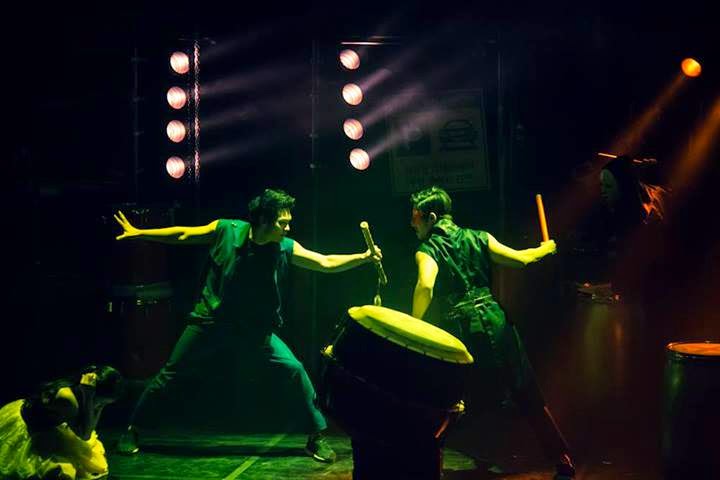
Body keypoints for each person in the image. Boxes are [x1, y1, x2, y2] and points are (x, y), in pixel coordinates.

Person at [114, 188, 381, 463]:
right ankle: (133, 429)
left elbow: (324, 262)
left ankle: (316, 437)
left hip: (256, 330)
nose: (289, 228)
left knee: (294, 369)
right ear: (263, 220)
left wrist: (362, 257)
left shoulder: (284, 247)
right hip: (211, 323)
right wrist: (140, 233)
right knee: (171, 373)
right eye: (283, 222)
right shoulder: (226, 231)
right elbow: (183, 234)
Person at [409, 186, 575, 479]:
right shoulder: (480, 237)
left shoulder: (427, 251)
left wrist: (413, 326)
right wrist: (545, 249)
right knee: (526, 393)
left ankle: (424, 466)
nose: (412, 224)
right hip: (497, 323)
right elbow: (522, 259)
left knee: (449, 400)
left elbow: (425, 286)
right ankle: (563, 462)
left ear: (431, 218)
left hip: (462, 330)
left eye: (416, 217)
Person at [0, 365, 124, 480]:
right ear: (93, 394)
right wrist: (88, 398)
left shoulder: (80, 392)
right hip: (35, 427)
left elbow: (88, 428)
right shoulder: (68, 400)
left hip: (50, 425)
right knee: (62, 472)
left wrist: (97, 404)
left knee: (90, 458)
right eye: (101, 402)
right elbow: (85, 434)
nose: (100, 406)